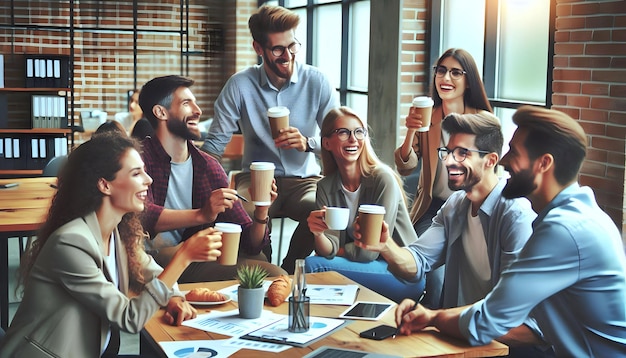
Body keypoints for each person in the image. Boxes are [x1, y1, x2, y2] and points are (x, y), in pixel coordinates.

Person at [394, 106, 626, 357]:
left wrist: (432, 317)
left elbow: (491, 320)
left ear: (543, 163)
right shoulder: (573, 215)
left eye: (514, 151)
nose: (504, 161)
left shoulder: (562, 229)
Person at [0, 132, 222, 357]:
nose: (148, 180)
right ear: (104, 185)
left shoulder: (117, 234)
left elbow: (154, 274)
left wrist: (173, 298)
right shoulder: (71, 243)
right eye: (136, 173)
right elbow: (129, 318)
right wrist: (184, 256)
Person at [357, 112, 547, 353]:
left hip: (500, 348)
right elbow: (417, 263)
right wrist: (385, 246)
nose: (448, 162)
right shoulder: (455, 205)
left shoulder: (515, 216)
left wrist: (438, 319)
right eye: (447, 152)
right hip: (458, 340)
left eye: (462, 153)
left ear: (490, 160)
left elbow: (518, 319)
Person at [200, 4, 340, 273]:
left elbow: (341, 138)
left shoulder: (317, 81)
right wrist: (206, 186)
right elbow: (214, 148)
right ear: (259, 48)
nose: (288, 56)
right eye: (277, 49)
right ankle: (262, 266)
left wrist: (308, 143)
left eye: (293, 46)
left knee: (321, 211)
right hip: (255, 180)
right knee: (245, 214)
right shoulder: (240, 85)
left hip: (305, 181)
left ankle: (288, 271)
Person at [138, 75, 286, 283]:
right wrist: (201, 215)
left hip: (196, 254)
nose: (198, 111)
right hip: (153, 258)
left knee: (266, 266)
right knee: (269, 275)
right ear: (161, 112)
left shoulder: (207, 166)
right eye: (186, 103)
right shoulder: (139, 158)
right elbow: (143, 214)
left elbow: (249, 241)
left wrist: (261, 210)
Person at [395, 48, 493, 307]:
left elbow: (490, 171)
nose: (445, 78)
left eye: (455, 72)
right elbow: (406, 166)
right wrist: (410, 131)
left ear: (468, 80)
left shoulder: (483, 122)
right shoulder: (430, 118)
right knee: (431, 278)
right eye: (441, 70)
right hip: (434, 209)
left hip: (473, 206)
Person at [304, 107, 424, 303]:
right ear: (326, 143)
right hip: (364, 267)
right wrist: (318, 234)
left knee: (314, 266)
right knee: (316, 265)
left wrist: (338, 251)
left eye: (359, 132)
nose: (353, 139)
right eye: (343, 132)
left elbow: (369, 251)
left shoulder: (382, 179)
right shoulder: (325, 186)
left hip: (401, 272)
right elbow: (328, 248)